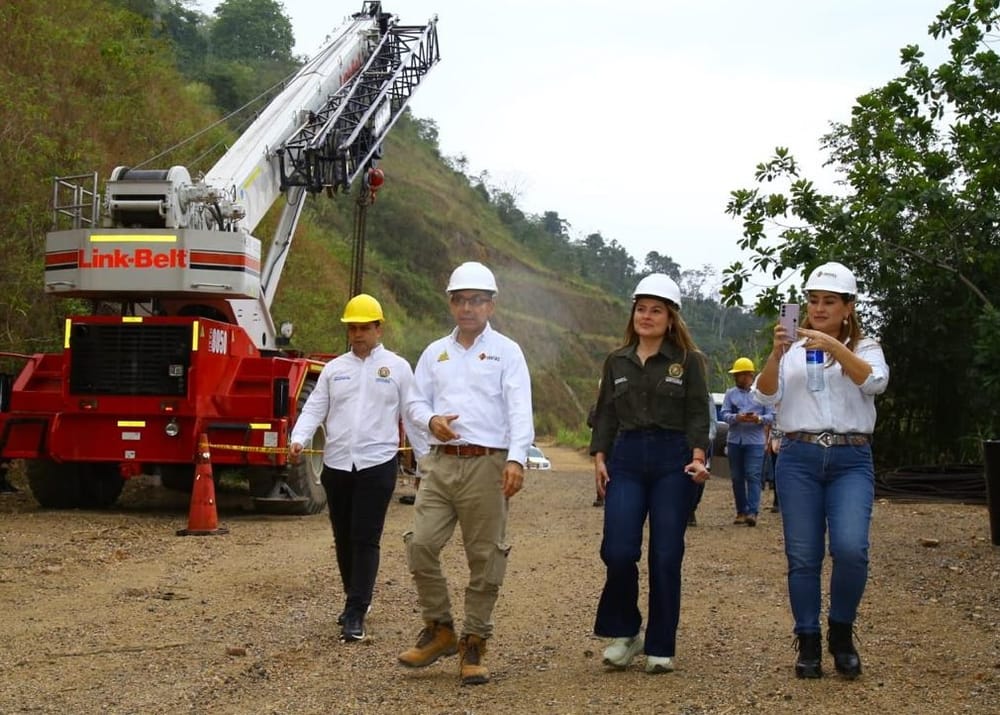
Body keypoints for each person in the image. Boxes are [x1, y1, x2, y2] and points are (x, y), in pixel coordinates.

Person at [398, 261, 534, 686]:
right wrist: (432, 420)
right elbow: (415, 402)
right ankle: (440, 627)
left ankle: (474, 640)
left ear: (491, 306)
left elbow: (519, 409)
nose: (467, 308)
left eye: (476, 300)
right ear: (451, 304)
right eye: (460, 300)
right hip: (441, 462)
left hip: (488, 464)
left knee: (485, 555)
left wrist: (516, 458)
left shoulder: (507, 352)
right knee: (420, 544)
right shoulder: (435, 352)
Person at [752, 261, 888, 680]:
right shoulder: (790, 349)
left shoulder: (866, 347)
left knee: (851, 548)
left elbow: (874, 382)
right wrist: (776, 354)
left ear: (848, 306)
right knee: (803, 556)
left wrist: (835, 348)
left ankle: (841, 632)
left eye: (830, 301)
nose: (819, 308)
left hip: (851, 457)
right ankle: (807, 639)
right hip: (799, 457)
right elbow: (764, 396)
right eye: (813, 301)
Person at [589, 273, 711, 674]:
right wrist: (600, 456)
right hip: (626, 458)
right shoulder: (617, 360)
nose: (646, 316)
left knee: (665, 554)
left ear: (671, 317)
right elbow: (605, 412)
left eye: (656, 310)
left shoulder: (689, 362)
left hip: (672, 460)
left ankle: (661, 644)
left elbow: (697, 412)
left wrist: (698, 455)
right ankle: (625, 633)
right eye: (641, 308)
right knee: (619, 550)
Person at [289, 293, 425, 643]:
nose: (358, 334)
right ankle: (356, 598)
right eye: (353, 328)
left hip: (377, 465)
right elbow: (315, 408)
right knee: (343, 537)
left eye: (365, 328)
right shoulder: (335, 370)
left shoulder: (397, 368)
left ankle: (355, 611)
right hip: (337, 465)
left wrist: (425, 460)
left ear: (379, 328)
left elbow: (411, 414)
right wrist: (299, 438)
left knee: (365, 537)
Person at [721, 357, 774, 527]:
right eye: (738, 375)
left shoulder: (761, 394)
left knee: (753, 475)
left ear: (751, 375)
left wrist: (758, 419)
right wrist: (737, 417)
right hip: (735, 440)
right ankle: (741, 511)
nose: (741, 378)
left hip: (755, 442)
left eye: (744, 375)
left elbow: (772, 416)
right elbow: (724, 414)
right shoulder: (730, 394)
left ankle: (753, 511)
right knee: (737, 477)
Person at [687, 393, 717, 526]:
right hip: (677, 441)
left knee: (699, 477)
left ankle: (692, 508)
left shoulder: (706, 395)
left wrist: (705, 439)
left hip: (701, 442)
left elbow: (712, 422)